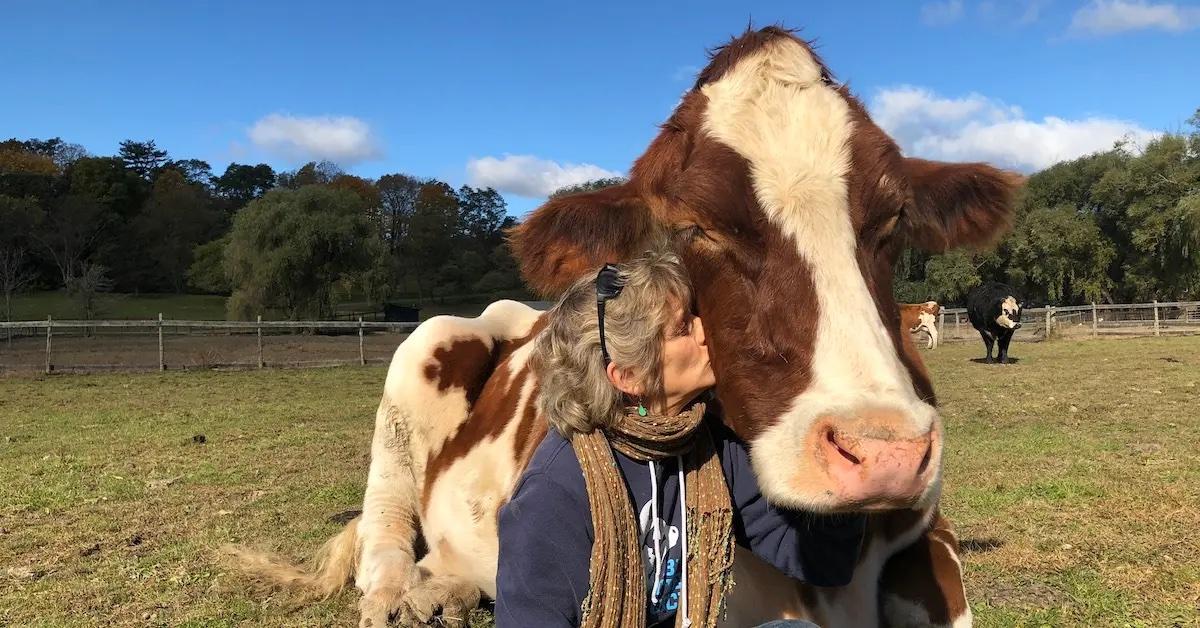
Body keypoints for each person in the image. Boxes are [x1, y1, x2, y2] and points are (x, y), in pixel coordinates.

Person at [495, 249, 865, 628]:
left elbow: (820, 562)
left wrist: (842, 479)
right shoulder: (555, 490)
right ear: (628, 376)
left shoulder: (707, 448)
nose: (708, 330)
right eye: (683, 327)